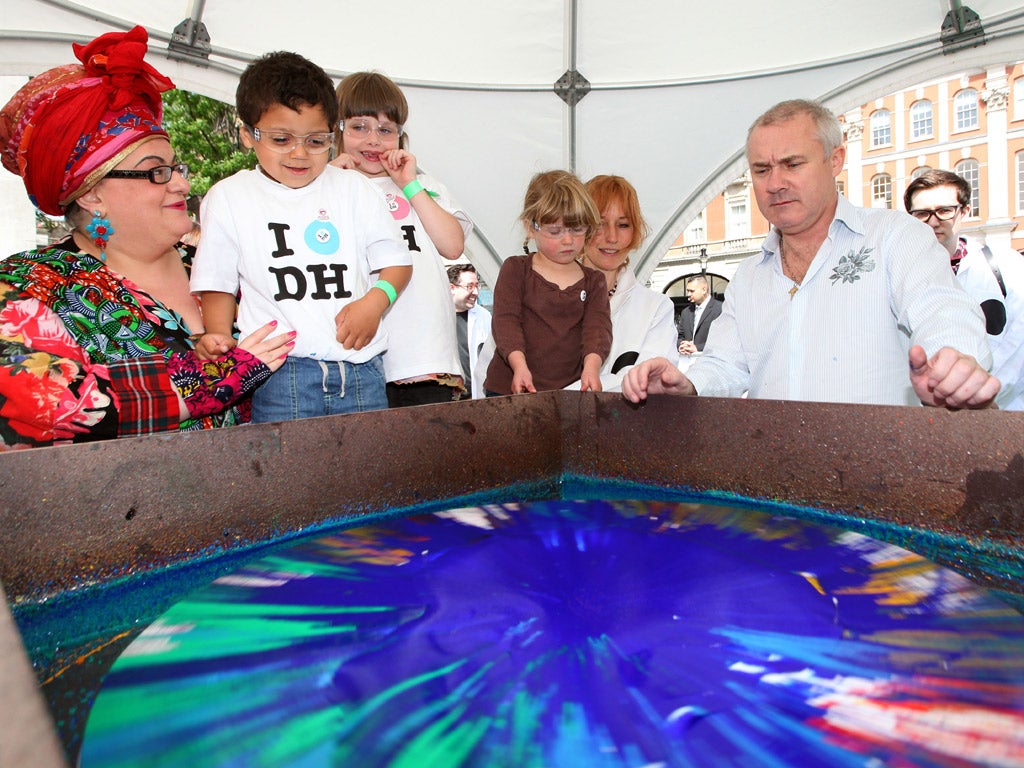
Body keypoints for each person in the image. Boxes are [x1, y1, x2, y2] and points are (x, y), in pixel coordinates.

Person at [0, 26, 291, 450]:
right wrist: (217, 379)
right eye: (157, 171)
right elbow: (53, 402)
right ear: (93, 193)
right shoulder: (29, 286)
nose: (179, 185)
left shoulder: (225, 268)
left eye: (177, 168)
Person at [623, 99, 998, 409]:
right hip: (776, 487)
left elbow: (942, 310)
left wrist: (955, 360)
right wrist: (685, 383)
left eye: (792, 164)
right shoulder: (749, 277)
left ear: (835, 160)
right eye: (761, 169)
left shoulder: (895, 238)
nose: (775, 183)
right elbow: (726, 365)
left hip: (879, 482)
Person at [190, 53, 412, 423]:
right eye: (281, 138)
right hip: (279, 372)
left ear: (333, 134)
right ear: (248, 134)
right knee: (289, 476)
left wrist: (375, 302)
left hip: (361, 370)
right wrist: (217, 337)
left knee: (369, 476)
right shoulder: (229, 196)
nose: (299, 153)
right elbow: (217, 281)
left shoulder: (354, 189)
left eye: (315, 140)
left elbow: (398, 263)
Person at [333, 71, 471, 407]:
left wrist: (409, 185)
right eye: (359, 127)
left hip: (424, 355)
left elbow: (452, 245)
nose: (373, 140)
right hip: (355, 354)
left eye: (385, 130)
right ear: (338, 130)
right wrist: (331, 184)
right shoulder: (328, 186)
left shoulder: (422, 184)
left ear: (400, 136)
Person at [904, 169, 1024, 410]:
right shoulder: (902, 273)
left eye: (944, 211)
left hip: (1002, 410)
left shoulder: (1006, 266)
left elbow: (1018, 343)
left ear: (965, 211)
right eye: (922, 214)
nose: (933, 221)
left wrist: (984, 396)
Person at [483, 170, 611, 395]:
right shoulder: (516, 269)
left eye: (577, 229)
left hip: (568, 394)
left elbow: (597, 330)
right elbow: (505, 323)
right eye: (555, 231)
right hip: (509, 390)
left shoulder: (594, 281)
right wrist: (519, 365)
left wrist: (591, 369)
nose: (568, 240)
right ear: (531, 228)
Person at [567, 174, 678, 392]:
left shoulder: (656, 308)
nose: (612, 237)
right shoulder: (537, 295)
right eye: (599, 224)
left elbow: (653, 387)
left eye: (623, 224)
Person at [447, 263, 491, 399]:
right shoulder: (438, 316)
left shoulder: (484, 316)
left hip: (474, 394)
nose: (476, 292)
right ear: (452, 288)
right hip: (447, 395)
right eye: (470, 287)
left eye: (477, 286)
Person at [676, 274, 723, 356]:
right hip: (687, 362)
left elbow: (723, 339)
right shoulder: (686, 312)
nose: (688, 294)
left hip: (711, 361)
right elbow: (679, 336)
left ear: (704, 290)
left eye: (692, 291)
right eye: (688, 290)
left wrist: (698, 348)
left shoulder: (720, 309)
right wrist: (681, 346)